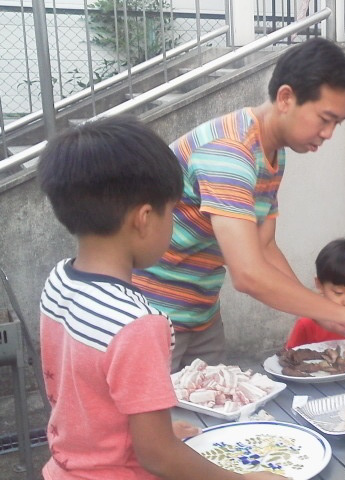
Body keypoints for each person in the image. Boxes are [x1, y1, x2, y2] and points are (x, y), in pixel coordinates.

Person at [37, 115, 279, 480]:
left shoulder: (58, 280)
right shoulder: (138, 324)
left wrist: (153, 435)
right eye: (172, 212)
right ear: (144, 218)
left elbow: (90, 399)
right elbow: (158, 457)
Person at [132, 38, 345, 372]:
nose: (328, 133)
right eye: (324, 119)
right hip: (153, 313)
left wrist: (321, 312)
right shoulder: (230, 152)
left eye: (336, 124)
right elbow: (248, 273)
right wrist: (340, 312)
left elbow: (264, 246)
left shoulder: (272, 153)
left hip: (202, 313)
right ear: (286, 98)